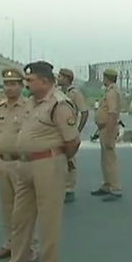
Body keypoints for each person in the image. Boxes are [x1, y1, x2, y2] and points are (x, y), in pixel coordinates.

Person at [0, 61, 81, 262]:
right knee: (20, 219)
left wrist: (57, 159)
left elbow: (72, 141)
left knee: (48, 222)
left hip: (47, 164)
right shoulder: (31, 103)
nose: (26, 84)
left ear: (45, 81)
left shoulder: (59, 104)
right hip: (25, 165)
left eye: (30, 80)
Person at [0, 68, 39, 262]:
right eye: (6, 84)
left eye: (13, 84)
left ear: (21, 86)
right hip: (3, 161)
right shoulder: (0, 107)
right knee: (7, 207)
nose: (9, 88)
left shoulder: (29, 107)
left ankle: (30, 246)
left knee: (24, 209)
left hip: (22, 162)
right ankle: (11, 244)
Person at [57, 68, 89, 203]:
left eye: (60, 76)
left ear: (67, 78)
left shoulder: (75, 93)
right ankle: (60, 187)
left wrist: (78, 130)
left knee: (70, 160)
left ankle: (69, 189)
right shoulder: (58, 93)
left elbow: (84, 112)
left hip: (70, 129)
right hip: (58, 130)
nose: (58, 78)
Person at [91, 69, 122, 202]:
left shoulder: (112, 92)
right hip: (104, 128)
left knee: (110, 159)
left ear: (106, 78)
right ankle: (107, 185)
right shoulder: (109, 91)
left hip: (108, 128)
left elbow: (112, 113)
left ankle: (115, 188)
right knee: (105, 159)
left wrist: (109, 131)